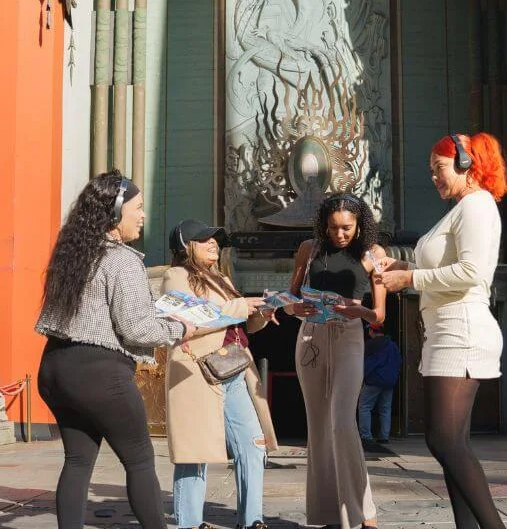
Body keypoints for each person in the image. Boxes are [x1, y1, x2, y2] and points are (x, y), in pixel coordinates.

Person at [34, 172, 195, 529]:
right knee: (139, 460)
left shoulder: (71, 254)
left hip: (55, 368)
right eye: (138, 208)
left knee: (77, 462)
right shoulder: (123, 261)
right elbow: (136, 327)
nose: (143, 215)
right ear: (115, 213)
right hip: (99, 374)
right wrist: (180, 328)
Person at [376, 133, 507, 529]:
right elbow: (445, 268)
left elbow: (473, 273)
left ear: (467, 164)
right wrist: (401, 270)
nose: (433, 177)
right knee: (452, 443)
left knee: (444, 440)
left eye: (438, 168)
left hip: (462, 329)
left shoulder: (477, 206)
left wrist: (412, 278)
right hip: (447, 328)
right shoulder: (462, 209)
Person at [162, 219, 278, 529]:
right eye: (204, 239)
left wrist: (261, 315)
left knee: (253, 445)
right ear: (187, 247)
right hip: (197, 370)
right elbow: (193, 317)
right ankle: (189, 523)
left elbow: (236, 323)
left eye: (216, 239)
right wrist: (240, 306)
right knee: (193, 450)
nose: (214, 243)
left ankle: (252, 519)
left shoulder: (222, 279)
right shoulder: (176, 277)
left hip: (234, 368)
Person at [283, 192, 387, 529]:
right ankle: (329, 514)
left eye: (346, 228)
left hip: (349, 336)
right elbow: (290, 298)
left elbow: (379, 314)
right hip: (311, 338)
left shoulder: (374, 254)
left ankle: (362, 513)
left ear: (359, 225)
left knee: (343, 422)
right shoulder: (308, 249)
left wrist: (359, 310)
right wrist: (293, 308)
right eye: (332, 227)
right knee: (318, 427)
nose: (339, 234)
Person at [358, 322, 400, 447]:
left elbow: (365, 363)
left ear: (371, 330)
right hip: (389, 381)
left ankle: (366, 437)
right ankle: (384, 437)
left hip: (374, 380)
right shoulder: (393, 345)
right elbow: (398, 362)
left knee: (364, 406)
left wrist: (363, 377)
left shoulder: (370, 345)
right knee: (385, 409)